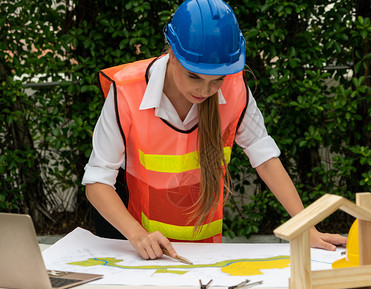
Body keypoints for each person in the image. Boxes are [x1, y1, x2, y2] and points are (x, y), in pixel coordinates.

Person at [82, 0, 346, 260]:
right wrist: (138, 236)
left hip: (205, 253)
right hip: (142, 245)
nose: (205, 91)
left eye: (216, 79)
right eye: (194, 76)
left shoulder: (234, 87)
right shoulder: (128, 90)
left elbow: (265, 158)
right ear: (172, 54)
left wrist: (307, 226)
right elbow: (97, 182)